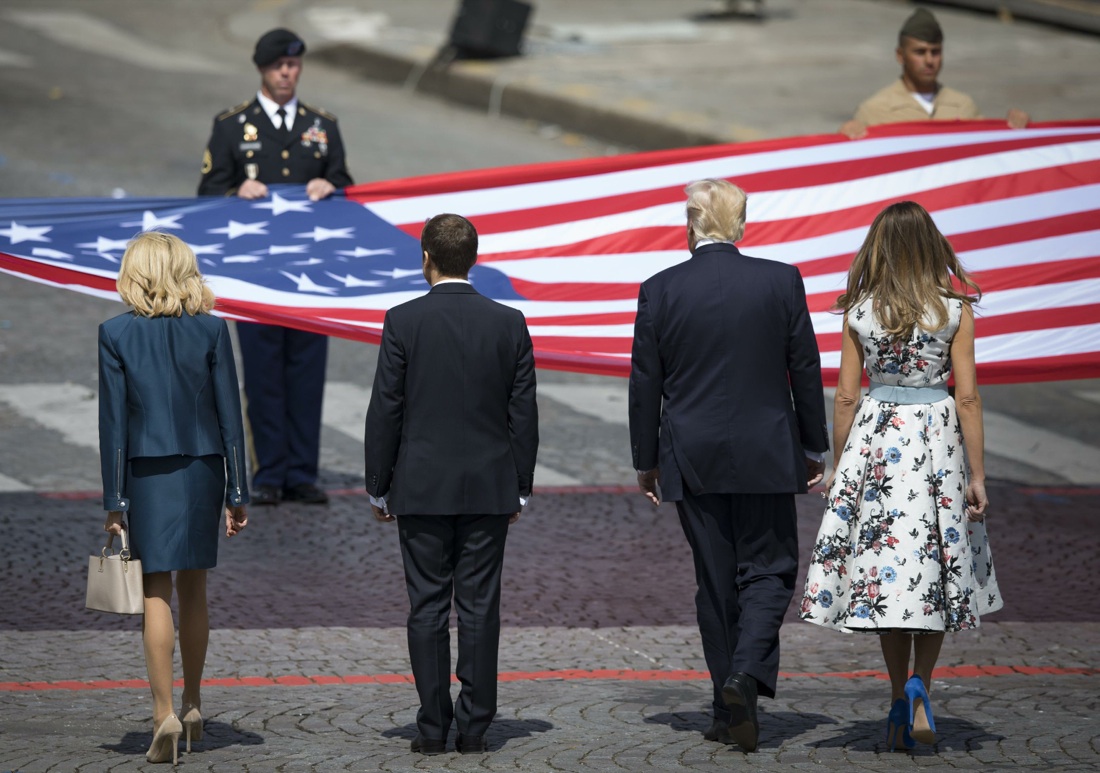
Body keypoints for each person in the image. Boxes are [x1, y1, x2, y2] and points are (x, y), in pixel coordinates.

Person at [628, 179, 829, 753]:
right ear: (740, 224)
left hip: (691, 453)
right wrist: (813, 445)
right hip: (767, 449)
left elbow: (646, 382)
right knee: (769, 571)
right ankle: (744, 676)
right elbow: (804, 367)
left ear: (690, 224)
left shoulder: (659, 289)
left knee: (715, 582)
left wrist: (646, 460)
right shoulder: (780, 280)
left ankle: (727, 704)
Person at [799, 201, 1002, 752]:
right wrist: (978, 475)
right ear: (933, 248)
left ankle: (896, 693)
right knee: (935, 566)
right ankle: (921, 686)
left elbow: (845, 396)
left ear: (879, 249)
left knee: (887, 573)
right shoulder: (954, 310)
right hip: (937, 441)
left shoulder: (861, 310)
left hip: (878, 441)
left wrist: (841, 464)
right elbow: (968, 397)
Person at [364, 214, 539, 755]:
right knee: (481, 607)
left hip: (420, 485)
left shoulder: (403, 320)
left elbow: (386, 409)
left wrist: (378, 484)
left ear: (426, 258)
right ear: (474, 258)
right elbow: (523, 414)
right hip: (489, 485)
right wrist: (521, 485)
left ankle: (433, 725)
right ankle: (476, 726)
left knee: (427, 607)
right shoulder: (509, 322)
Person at [99, 232, 249, 764]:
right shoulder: (212, 329)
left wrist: (114, 500)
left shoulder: (114, 332)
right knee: (196, 589)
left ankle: (162, 711)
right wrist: (237, 490)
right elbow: (231, 416)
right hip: (203, 467)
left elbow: (113, 426)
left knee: (155, 591)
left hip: (146, 472)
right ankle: (193, 704)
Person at [198, 28, 354, 506]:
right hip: (258, 273)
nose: (287, 74)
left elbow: (346, 185)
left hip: (310, 273)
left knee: (307, 373)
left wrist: (332, 188)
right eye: (278, 67)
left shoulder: (322, 125)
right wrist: (235, 192)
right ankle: (269, 472)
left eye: (293, 65)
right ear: (262, 70)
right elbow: (207, 192)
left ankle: (302, 473)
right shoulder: (232, 126)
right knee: (264, 375)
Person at [840, 8, 1029, 140]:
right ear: (900, 55)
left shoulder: (964, 106)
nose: (929, 60)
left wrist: (1019, 128)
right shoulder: (874, 111)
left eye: (935, 52)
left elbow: (988, 154)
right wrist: (845, 136)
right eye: (920, 52)